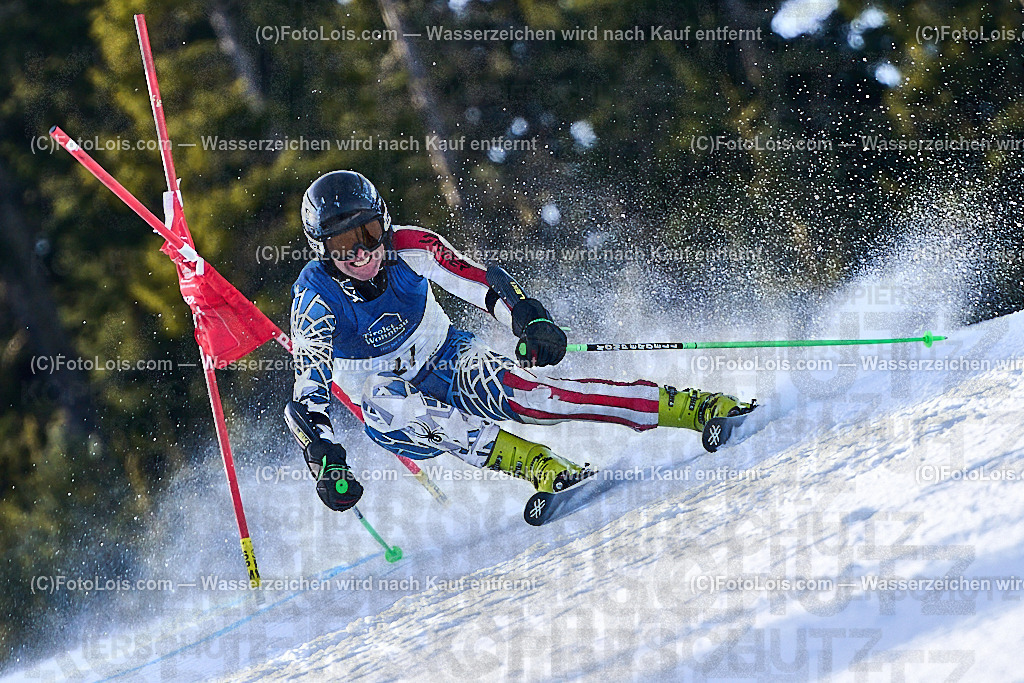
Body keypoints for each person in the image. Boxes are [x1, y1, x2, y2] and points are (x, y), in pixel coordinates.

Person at [286, 170, 754, 512]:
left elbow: (482, 283)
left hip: (448, 358)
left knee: (538, 401)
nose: (362, 253)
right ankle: (540, 467)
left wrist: (529, 320)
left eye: (368, 233)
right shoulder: (315, 299)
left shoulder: (412, 247)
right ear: (321, 251)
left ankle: (695, 407)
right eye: (344, 245)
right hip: (394, 414)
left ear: (383, 224)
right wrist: (325, 459)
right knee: (384, 399)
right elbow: (308, 393)